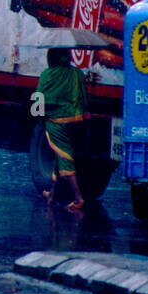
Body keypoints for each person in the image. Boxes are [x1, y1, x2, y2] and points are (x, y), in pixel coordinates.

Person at [37, 48, 88, 212]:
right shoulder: (78, 74)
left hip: (56, 121)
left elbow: (38, 99)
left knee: (64, 157)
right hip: (75, 121)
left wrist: (38, 116)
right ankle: (51, 194)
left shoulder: (47, 74)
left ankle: (78, 198)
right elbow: (84, 99)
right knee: (60, 155)